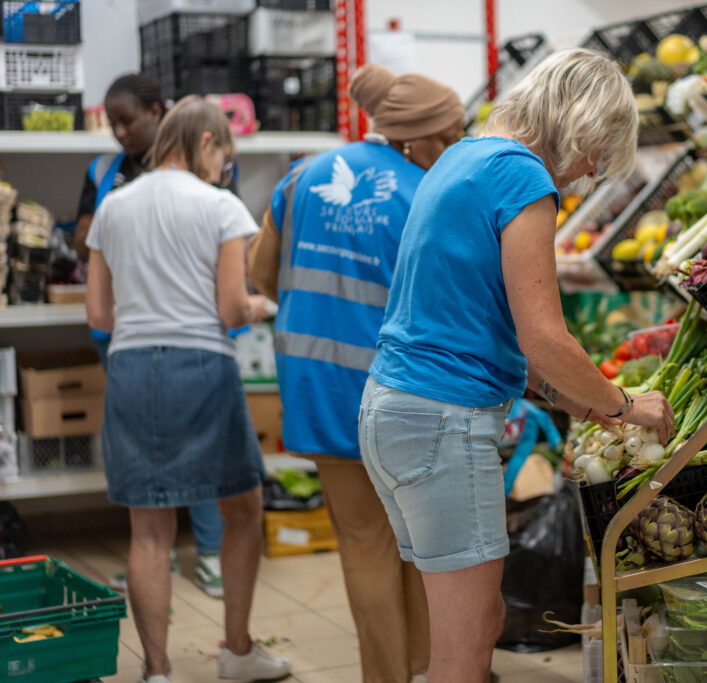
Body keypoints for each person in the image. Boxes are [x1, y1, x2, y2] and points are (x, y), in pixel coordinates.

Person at [358, 48, 673, 683]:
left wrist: (567, 396)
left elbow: (473, 317)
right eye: (595, 152)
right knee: (466, 645)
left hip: (395, 413)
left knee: (473, 619)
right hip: (442, 423)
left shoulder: (463, 158)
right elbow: (545, 337)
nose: (586, 174)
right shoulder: (522, 175)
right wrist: (626, 406)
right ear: (579, 122)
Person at [247, 63, 464, 683]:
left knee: (365, 544)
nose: (449, 149)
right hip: (406, 391)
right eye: (445, 137)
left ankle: (389, 675)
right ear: (408, 137)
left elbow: (266, 278)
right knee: (422, 544)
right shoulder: (427, 192)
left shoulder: (301, 177)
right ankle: (428, 668)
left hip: (319, 386)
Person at [85, 96, 291, 683]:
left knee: (149, 530)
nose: (224, 168)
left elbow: (99, 315)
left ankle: (156, 671)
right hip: (200, 364)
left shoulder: (113, 207)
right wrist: (258, 304)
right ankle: (237, 650)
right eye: (224, 155)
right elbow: (230, 309)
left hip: (129, 367)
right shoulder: (220, 206)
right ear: (207, 143)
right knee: (242, 509)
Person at [75, 73, 226, 599]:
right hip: (126, 331)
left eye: (127, 121)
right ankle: (154, 558)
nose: (119, 132)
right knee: (151, 452)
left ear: (157, 111)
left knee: (198, 448)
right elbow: (83, 239)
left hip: (177, 333)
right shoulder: (105, 172)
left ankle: (209, 555)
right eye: (111, 123)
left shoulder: (206, 173)